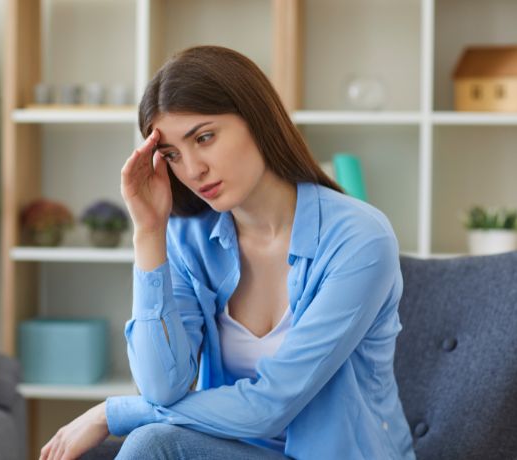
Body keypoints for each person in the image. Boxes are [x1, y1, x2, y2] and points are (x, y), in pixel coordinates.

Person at [39, 45, 416, 460]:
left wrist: (111, 414)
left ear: (256, 119)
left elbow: (269, 407)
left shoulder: (359, 239)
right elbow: (162, 386)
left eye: (204, 138)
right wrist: (149, 233)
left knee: (147, 442)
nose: (193, 170)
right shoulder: (189, 237)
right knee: (152, 445)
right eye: (172, 155)